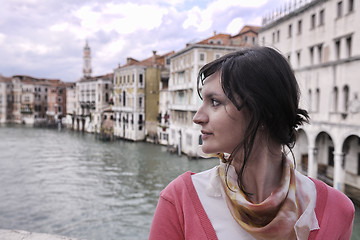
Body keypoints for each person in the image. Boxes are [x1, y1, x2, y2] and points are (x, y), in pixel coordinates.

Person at [149, 47, 355, 240]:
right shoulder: (179, 200)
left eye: (215, 102)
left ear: (262, 113)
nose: (198, 117)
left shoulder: (338, 210)